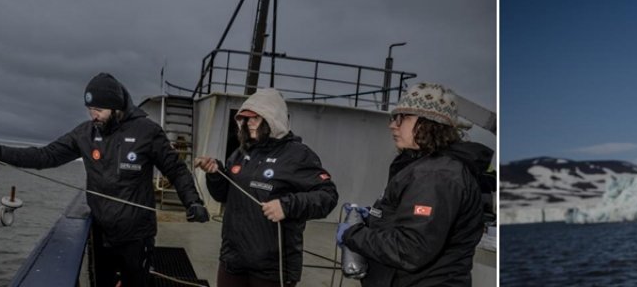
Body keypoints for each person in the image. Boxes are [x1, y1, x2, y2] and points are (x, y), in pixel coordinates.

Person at [0, 73, 209, 287]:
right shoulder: (85, 133)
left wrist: (192, 202)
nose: (94, 117)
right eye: (90, 111)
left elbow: (176, 169)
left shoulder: (147, 132)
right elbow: (44, 156)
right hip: (102, 235)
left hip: (137, 237)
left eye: (99, 111)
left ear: (117, 108)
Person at [336, 83, 489, 286]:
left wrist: (352, 234)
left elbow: (410, 250)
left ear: (430, 124)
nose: (393, 125)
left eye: (404, 118)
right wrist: (376, 218)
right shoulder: (424, 166)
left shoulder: (436, 175)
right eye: (394, 118)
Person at [195, 89, 338, 287]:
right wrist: (215, 173)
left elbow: (328, 196)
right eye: (246, 118)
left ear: (273, 119)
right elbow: (223, 195)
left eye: (256, 118)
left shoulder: (297, 155)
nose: (250, 123)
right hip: (233, 259)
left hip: (272, 268)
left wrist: (286, 206)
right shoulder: (240, 153)